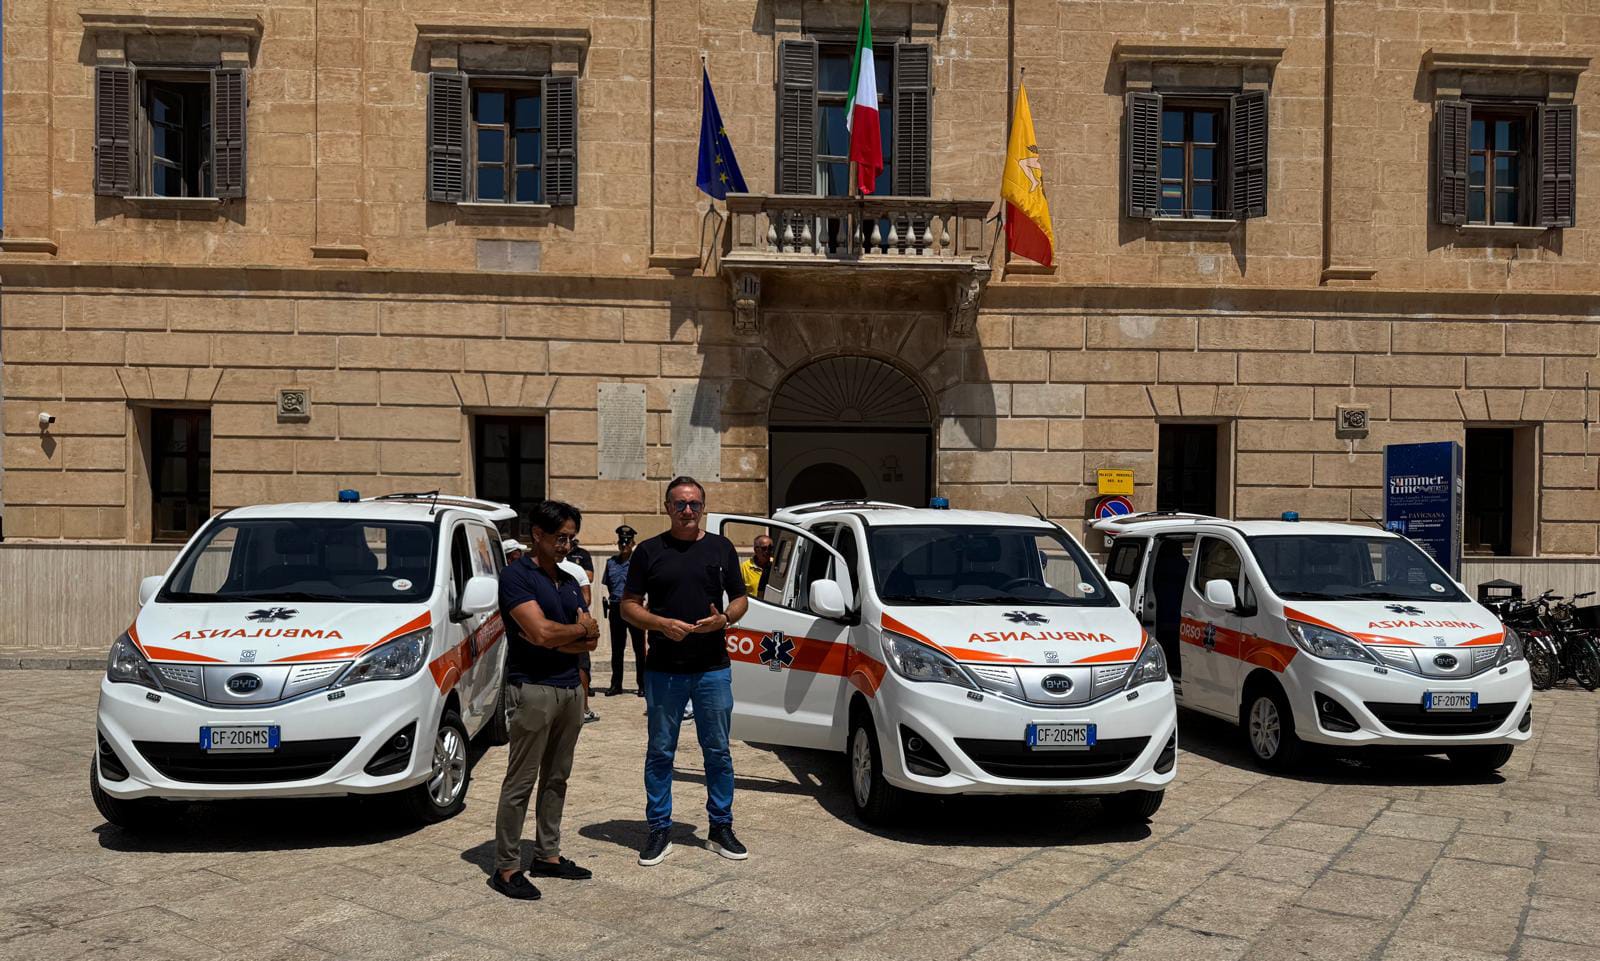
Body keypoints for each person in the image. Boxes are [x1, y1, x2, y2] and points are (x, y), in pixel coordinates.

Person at [620, 476, 750, 866]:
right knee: (661, 751)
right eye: (679, 504)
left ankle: (720, 826)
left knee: (718, 752)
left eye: (694, 504)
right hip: (664, 669)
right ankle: (660, 828)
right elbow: (628, 604)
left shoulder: (721, 548)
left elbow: (741, 599)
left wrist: (725, 618)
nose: (687, 511)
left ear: (703, 506)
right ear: (667, 507)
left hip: (713, 668)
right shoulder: (648, 551)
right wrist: (660, 624)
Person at [490, 500, 600, 901]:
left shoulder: (569, 581)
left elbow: (592, 638)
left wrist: (564, 634)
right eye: (560, 537)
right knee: (521, 780)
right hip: (532, 688)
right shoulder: (516, 576)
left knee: (557, 777)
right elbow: (538, 633)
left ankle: (547, 855)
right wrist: (572, 631)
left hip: (571, 688)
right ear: (537, 534)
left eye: (572, 538)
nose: (567, 545)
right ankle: (506, 867)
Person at [602, 525, 647, 696]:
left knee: (639, 648)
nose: (624, 545)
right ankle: (616, 684)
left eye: (627, 542)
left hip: (635, 606)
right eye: (621, 542)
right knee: (617, 648)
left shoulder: (639, 563)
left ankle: (642, 684)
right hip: (616, 607)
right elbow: (609, 585)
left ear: (633, 543)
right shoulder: (611, 563)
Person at [556, 554, 599, 724]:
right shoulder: (576, 570)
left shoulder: (574, 572)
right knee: (581, 665)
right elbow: (585, 600)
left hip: (574, 626)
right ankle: (583, 708)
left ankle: (582, 708)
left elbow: (584, 602)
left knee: (581, 665)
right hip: (574, 625)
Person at [740, 534, 775, 601]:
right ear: (756, 550)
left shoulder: (775, 566)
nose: (767, 551)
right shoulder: (744, 567)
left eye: (770, 548)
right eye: (764, 548)